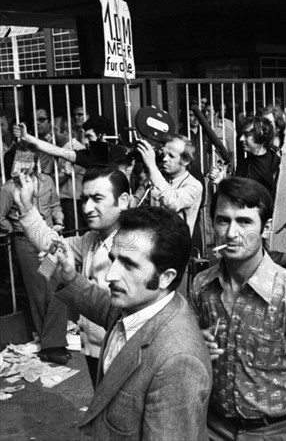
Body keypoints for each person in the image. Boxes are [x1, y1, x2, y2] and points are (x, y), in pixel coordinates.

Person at [14, 175, 213, 440]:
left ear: (166, 276)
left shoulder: (178, 363)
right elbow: (102, 306)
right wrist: (70, 276)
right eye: (112, 260)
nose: (110, 276)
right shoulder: (139, 307)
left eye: (129, 265)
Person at [188, 177, 286, 441]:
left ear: (266, 227)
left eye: (244, 221)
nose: (231, 233)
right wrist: (195, 344)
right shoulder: (201, 286)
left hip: (273, 431)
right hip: (211, 426)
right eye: (223, 220)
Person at [15, 166, 130, 383]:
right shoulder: (91, 239)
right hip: (95, 347)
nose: (87, 208)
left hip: (122, 348)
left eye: (97, 198)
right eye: (84, 199)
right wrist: (27, 208)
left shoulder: (135, 244)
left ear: (123, 201)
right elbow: (52, 245)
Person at [0, 160, 68, 364]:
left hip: (50, 240)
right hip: (25, 244)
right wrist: (13, 229)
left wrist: (59, 221)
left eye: (29, 157)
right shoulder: (8, 188)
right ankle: (51, 346)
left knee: (56, 290)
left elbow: (56, 205)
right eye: (20, 158)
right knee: (39, 293)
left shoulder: (47, 180)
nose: (24, 163)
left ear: (36, 159)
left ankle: (53, 342)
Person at [132, 134, 203, 238]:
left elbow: (172, 202)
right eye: (164, 153)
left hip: (174, 246)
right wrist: (126, 172)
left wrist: (152, 166)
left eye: (171, 156)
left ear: (186, 160)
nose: (164, 159)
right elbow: (134, 203)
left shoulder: (194, 186)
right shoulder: (156, 177)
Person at [231, 117, 281, 199]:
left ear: (260, 135)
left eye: (247, 135)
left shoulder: (278, 164)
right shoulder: (243, 166)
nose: (241, 139)